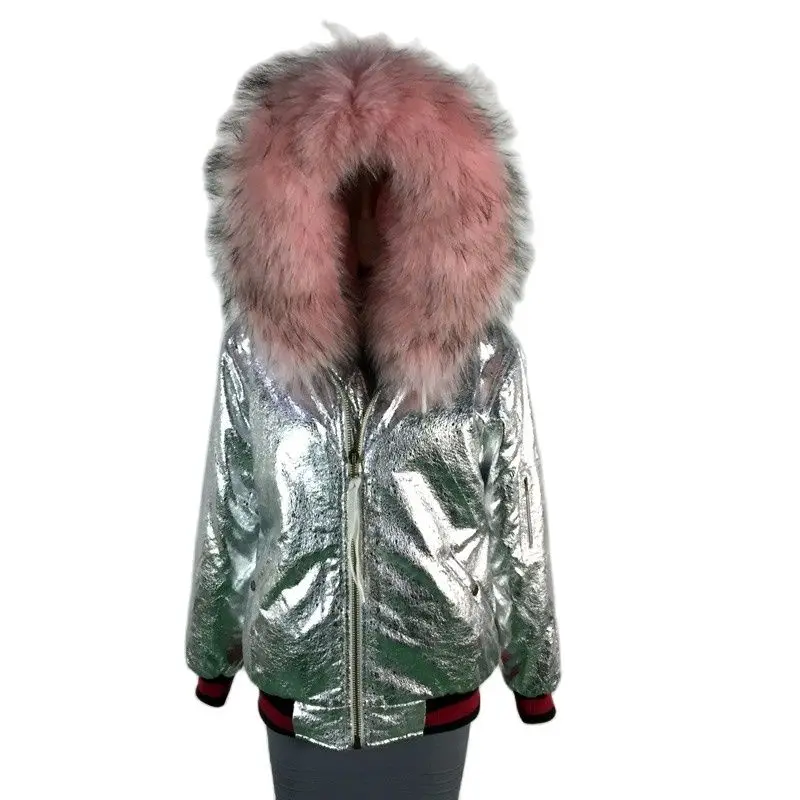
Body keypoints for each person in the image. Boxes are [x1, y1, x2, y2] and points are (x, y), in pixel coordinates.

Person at [185, 32, 561, 800]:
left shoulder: (483, 358)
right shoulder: (254, 353)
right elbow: (230, 503)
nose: (364, 217)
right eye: (341, 193)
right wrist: (212, 653)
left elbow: (519, 516)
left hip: (434, 693)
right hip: (299, 687)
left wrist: (534, 669)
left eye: (387, 192)